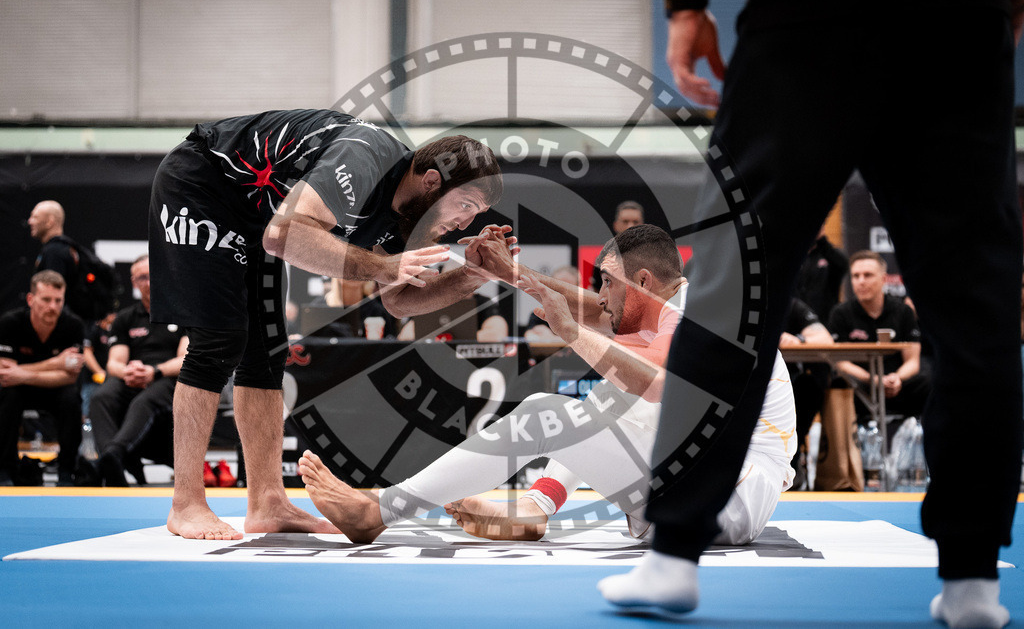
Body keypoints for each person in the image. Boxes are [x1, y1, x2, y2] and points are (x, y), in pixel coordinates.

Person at [599, 0, 1024, 626]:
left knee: (736, 277)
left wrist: (687, 4)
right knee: (972, 296)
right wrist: (997, 16)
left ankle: (673, 552)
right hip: (960, 1)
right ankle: (974, 581)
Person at [296, 225, 795, 549]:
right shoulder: (674, 306)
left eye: (607, 282)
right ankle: (536, 507)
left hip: (729, 495)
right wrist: (512, 275)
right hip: (711, 486)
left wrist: (571, 334)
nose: (600, 295)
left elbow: (656, 384)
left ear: (642, 279)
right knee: (595, 399)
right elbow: (597, 311)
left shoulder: (699, 316)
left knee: (549, 412)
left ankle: (378, 512)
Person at [148, 108, 505, 540]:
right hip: (204, 181)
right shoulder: (363, 155)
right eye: (466, 205)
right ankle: (185, 503)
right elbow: (283, 237)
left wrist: (471, 277)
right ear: (431, 181)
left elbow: (398, 303)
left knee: (265, 353)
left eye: (477, 212)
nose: (467, 222)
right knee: (220, 341)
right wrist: (383, 266)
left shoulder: (411, 214)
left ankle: (267, 502)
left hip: (257, 212)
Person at [89, 256, 187, 487]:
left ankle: (112, 454)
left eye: (153, 275)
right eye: (143, 277)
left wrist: (154, 371)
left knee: (144, 401)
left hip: (168, 378)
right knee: (100, 397)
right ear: (134, 282)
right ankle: (112, 468)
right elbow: (113, 363)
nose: (149, 282)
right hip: (132, 375)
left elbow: (186, 359)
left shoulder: (182, 312)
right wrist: (129, 372)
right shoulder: (125, 318)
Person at [0, 271, 85, 486]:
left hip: (55, 389)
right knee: (8, 396)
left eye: (58, 300)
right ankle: (6, 469)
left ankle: (66, 471)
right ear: (31, 299)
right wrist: (56, 364)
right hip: (19, 389)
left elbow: (70, 377)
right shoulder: (10, 323)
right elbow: (5, 374)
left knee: (71, 399)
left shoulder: (73, 325)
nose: (53, 306)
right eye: (46, 299)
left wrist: (23, 373)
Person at [827, 251, 930, 425]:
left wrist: (896, 378)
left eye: (867, 275)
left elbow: (912, 361)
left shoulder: (903, 311)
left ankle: (924, 443)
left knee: (929, 382)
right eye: (855, 276)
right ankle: (842, 450)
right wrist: (874, 380)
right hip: (861, 385)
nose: (861, 281)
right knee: (836, 383)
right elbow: (841, 362)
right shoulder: (840, 313)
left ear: (883, 279)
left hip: (898, 384)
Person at [780, 297, 833, 490]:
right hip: (746, 381)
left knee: (807, 386)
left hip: (788, 385)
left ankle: (792, 459)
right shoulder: (735, 304)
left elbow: (825, 339)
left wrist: (799, 339)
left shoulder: (791, 305)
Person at [795, 228, 849, 323]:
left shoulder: (829, 254)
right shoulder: (794, 256)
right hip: (797, 320)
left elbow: (843, 264)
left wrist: (821, 239)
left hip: (825, 320)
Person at [589, 201, 645, 291]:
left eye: (635, 222)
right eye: (625, 221)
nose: (630, 226)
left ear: (643, 225)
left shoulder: (655, 257)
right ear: (616, 225)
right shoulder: (603, 259)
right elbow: (596, 293)